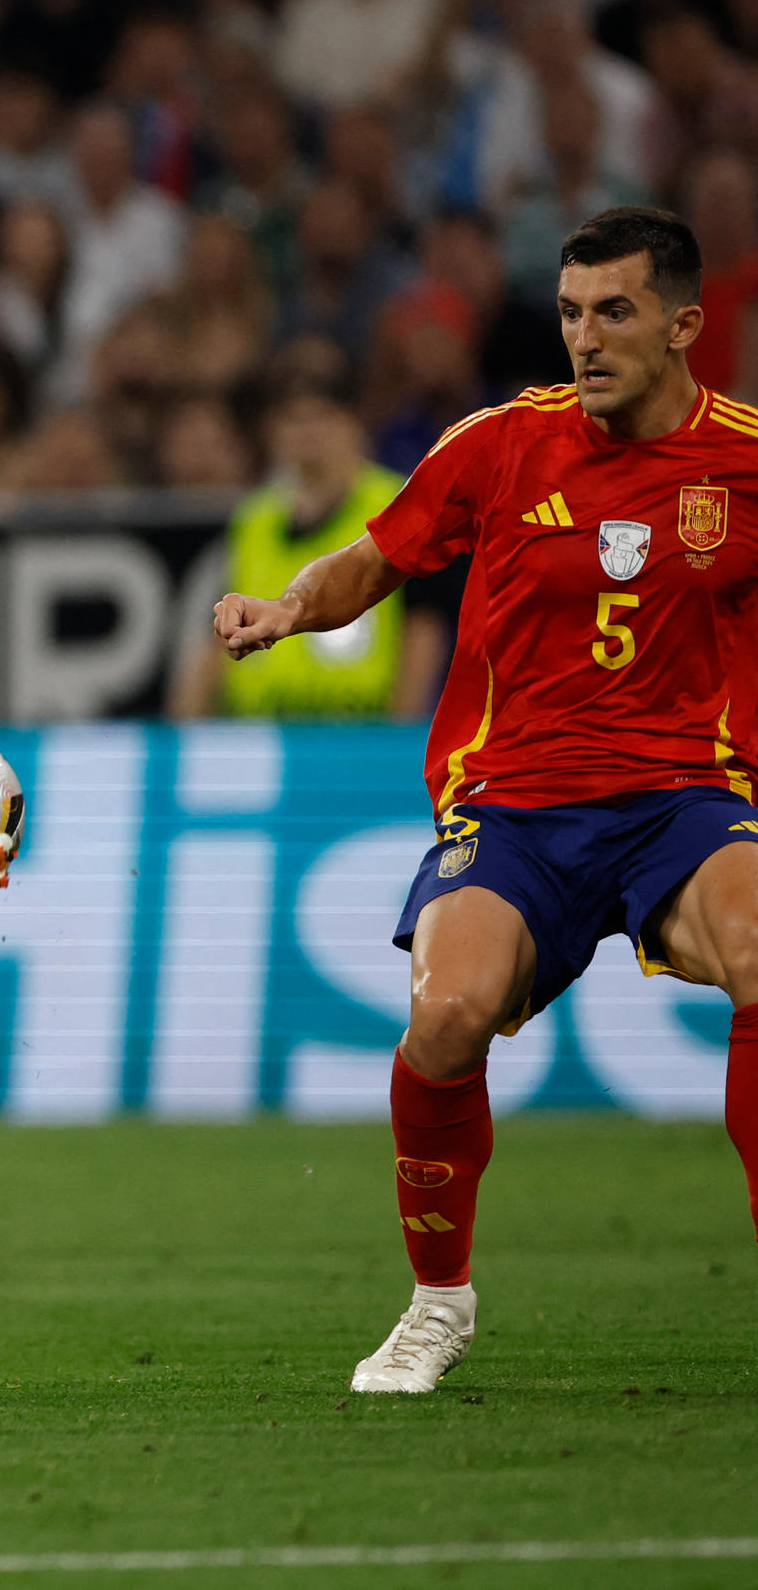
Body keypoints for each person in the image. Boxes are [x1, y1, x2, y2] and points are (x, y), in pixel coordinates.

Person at [213, 207, 758, 1395]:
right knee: (447, 1017)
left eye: (612, 311)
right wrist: (287, 609)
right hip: (513, 805)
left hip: (686, 797)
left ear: (682, 325)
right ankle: (436, 1301)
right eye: (569, 312)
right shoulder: (501, 442)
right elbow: (371, 558)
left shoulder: (745, 462)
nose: (584, 338)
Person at [171, 385, 446, 723]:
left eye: (320, 417)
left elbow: (422, 625)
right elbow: (219, 628)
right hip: (262, 734)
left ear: (351, 424)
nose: (307, 433)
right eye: (293, 420)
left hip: (358, 733)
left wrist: (399, 732)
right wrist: (185, 723)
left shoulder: (394, 504)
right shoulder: (254, 519)